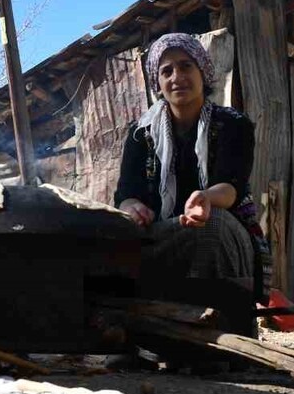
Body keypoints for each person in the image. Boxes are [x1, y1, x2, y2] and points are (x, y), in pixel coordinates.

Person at [113, 32, 268, 304]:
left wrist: (206, 198)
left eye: (186, 66)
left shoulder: (232, 124)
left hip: (223, 234)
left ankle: (221, 324)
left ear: (202, 72)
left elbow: (231, 186)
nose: (177, 77)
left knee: (211, 224)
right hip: (166, 235)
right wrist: (131, 208)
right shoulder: (140, 134)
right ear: (158, 83)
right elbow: (126, 193)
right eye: (167, 71)